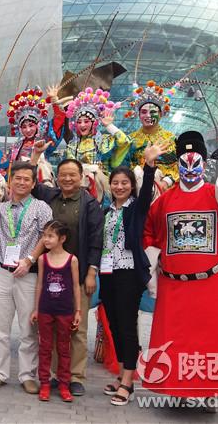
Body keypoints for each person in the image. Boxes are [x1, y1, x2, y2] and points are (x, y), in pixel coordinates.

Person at [142, 126, 218, 407]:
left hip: (217, 281)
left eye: (195, 159)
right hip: (176, 286)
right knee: (178, 340)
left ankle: (211, 391)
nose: (189, 166)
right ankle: (180, 389)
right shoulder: (162, 202)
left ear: (205, 162)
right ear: (175, 164)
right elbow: (147, 235)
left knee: (214, 339)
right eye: (183, 161)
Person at [26, 148, 104, 397]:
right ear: (57, 177)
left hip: (76, 276)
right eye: (63, 175)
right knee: (51, 328)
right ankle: (55, 375)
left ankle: (76, 377)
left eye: (73, 175)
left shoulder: (90, 205)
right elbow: (31, 182)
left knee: (76, 330)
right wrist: (35, 156)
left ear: (82, 177)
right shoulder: (51, 196)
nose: (68, 179)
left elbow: (95, 240)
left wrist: (91, 272)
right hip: (49, 276)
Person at [98, 143, 166, 405]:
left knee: (127, 326)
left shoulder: (137, 208)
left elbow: (147, 192)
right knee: (113, 324)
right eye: (115, 182)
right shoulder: (105, 211)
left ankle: (128, 380)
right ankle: (123, 372)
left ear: (131, 185)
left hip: (129, 273)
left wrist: (149, 166)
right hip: (108, 273)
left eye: (124, 183)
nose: (119, 187)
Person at [0, 162, 53, 395]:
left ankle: (26, 375)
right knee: (0, 327)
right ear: (10, 181)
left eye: (26, 179)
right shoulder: (1, 208)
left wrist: (30, 259)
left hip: (27, 274)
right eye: (17, 178)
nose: (21, 182)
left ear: (33, 183)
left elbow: (46, 237)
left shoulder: (41, 207)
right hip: (2, 272)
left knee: (27, 329)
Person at [31, 220, 80, 402]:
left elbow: (75, 286)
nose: (46, 239)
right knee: (45, 347)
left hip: (65, 311)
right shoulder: (43, 259)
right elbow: (40, 284)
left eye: (50, 236)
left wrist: (78, 311)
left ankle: (64, 384)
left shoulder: (72, 260)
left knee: (63, 348)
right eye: (44, 235)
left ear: (62, 238)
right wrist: (36, 309)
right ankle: (44, 382)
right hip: (45, 309)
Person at [123, 80, 179, 190]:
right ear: (138, 114)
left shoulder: (171, 139)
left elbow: (178, 164)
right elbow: (125, 165)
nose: (148, 115)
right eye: (144, 112)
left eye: (153, 112)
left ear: (161, 114)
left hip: (164, 187)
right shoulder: (130, 139)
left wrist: (166, 181)